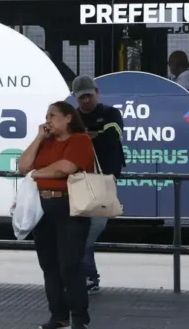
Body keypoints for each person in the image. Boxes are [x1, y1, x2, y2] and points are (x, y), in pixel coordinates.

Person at [18, 101, 95, 329]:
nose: (48, 120)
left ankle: (80, 319)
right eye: (46, 116)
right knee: (49, 264)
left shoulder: (80, 140)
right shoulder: (46, 141)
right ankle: (58, 316)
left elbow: (66, 167)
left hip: (69, 205)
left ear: (68, 118)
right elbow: (23, 165)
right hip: (43, 206)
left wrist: (35, 173)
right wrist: (39, 138)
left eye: (52, 116)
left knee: (70, 264)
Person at [71, 75, 124, 294]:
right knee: (82, 229)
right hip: (79, 180)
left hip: (104, 179)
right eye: (81, 97)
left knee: (93, 228)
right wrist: (91, 136)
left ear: (97, 92)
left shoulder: (111, 113)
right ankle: (89, 277)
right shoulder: (72, 117)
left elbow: (114, 135)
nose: (85, 101)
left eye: (88, 96)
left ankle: (82, 271)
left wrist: (88, 136)